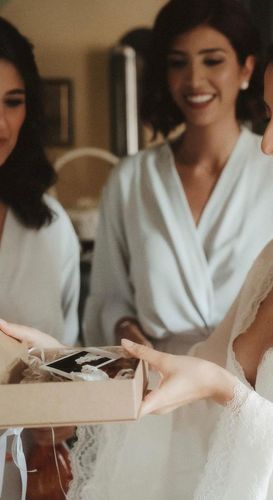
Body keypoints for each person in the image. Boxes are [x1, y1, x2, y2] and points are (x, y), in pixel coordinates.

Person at [3, 6, 273, 500]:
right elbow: (182, 388)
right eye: (269, 116)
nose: (269, 142)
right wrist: (61, 361)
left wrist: (226, 392)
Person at [83, 0, 273, 354]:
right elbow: (107, 296)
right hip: (157, 375)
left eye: (212, 61)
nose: (193, 80)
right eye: (178, 63)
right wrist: (123, 327)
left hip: (256, 376)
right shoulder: (131, 180)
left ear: (246, 68)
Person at [0, 17, 80, 500]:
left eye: (13, 102)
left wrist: (52, 438)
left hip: (24, 474)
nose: (1, 125)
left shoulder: (47, 225)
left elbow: (64, 358)